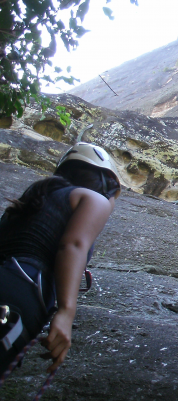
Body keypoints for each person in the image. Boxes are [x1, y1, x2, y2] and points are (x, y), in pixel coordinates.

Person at [0, 142, 121, 373]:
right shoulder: (95, 199)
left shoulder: (32, 201)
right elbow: (73, 245)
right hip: (18, 290)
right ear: (107, 184)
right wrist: (66, 311)